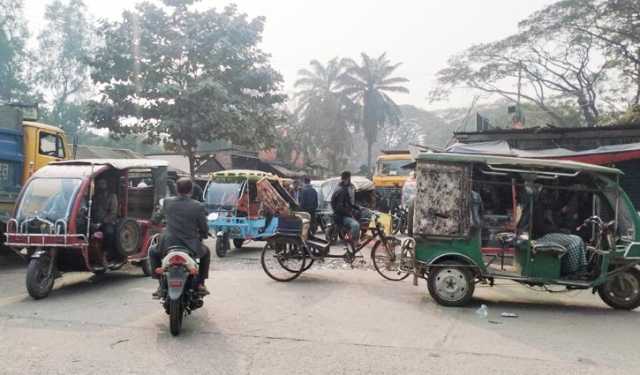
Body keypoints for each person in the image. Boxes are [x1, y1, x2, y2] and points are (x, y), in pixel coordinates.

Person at [149, 178, 211, 296]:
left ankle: (160, 285)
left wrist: (155, 222)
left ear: (176, 189)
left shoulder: (167, 202)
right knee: (206, 252)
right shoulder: (197, 206)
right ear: (191, 190)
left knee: (152, 251)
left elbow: (156, 218)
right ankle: (200, 284)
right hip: (191, 244)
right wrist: (204, 234)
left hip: (168, 242)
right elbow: (203, 226)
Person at [331, 171, 360, 248]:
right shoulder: (341, 190)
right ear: (347, 178)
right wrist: (350, 214)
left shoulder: (341, 188)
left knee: (357, 220)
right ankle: (351, 241)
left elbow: (348, 203)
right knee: (356, 225)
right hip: (340, 216)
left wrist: (357, 207)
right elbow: (340, 207)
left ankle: (349, 239)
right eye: (349, 178)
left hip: (341, 214)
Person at [92, 178, 119, 259]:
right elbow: (92, 210)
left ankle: (106, 253)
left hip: (107, 222)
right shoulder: (95, 197)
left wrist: (101, 223)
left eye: (103, 184)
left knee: (109, 232)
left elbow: (113, 213)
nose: (101, 186)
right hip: (94, 221)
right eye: (99, 184)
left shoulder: (112, 196)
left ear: (106, 185)